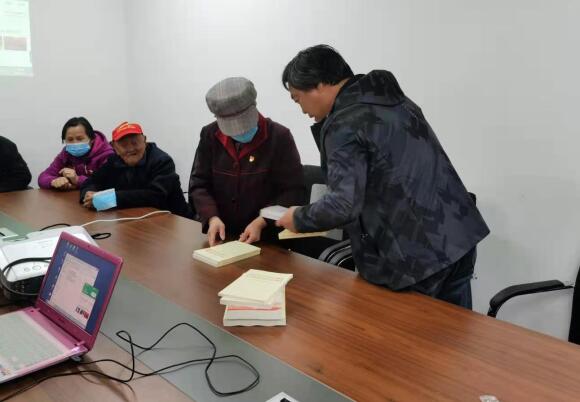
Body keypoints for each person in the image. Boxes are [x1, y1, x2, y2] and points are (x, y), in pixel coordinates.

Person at [277, 45, 490, 309]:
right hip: (458, 238)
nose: (301, 110)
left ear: (318, 85)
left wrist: (298, 218)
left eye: (297, 98)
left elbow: (344, 204)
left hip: (415, 256)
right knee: (456, 331)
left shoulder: (344, 124)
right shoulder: (396, 101)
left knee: (409, 334)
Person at [189, 77, 303, 246]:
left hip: (267, 239)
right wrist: (212, 217)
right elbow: (199, 184)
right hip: (222, 235)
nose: (240, 132)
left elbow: (293, 190)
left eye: (244, 124)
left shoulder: (279, 136)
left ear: (254, 107)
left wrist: (262, 221)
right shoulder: (209, 135)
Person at [80, 122, 192, 218]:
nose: (130, 149)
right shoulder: (113, 161)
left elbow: (155, 195)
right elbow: (91, 182)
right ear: (114, 147)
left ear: (145, 141)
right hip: (135, 219)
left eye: (135, 142)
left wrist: (110, 199)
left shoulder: (162, 161)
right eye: (124, 144)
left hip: (174, 220)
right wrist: (89, 196)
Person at [38, 117, 114, 190]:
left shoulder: (107, 155)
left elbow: (110, 184)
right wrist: (54, 181)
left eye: (79, 139)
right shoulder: (65, 154)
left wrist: (78, 180)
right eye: (70, 139)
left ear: (92, 139)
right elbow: (43, 177)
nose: (75, 143)